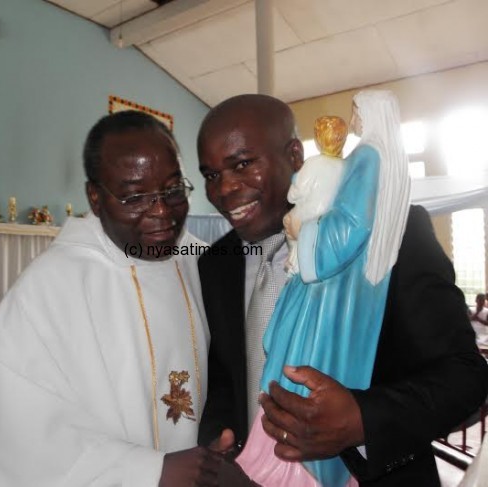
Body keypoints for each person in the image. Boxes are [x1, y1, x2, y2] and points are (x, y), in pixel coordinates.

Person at [196, 93, 488, 486]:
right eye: (211, 175)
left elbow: (467, 379)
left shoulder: (390, 234)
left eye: (243, 163)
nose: (224, 188)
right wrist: (220, 438)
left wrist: (361, 420)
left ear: (296, 156)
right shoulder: (214, 264)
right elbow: (223, 377)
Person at [0, 110, 228, 486]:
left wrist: (216, 435)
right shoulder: (45, 293)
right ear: (95, 198)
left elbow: (219, 368)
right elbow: (24, 437)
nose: (161, 212)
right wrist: (150, 472)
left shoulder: (198, 261)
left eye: (173, 190)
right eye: (134, 197)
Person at [237, 90, 412, 486]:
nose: (354, 119)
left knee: (295, 366)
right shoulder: (372, 160)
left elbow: (353, 224)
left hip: (328, 289)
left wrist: (305, 230)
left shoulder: (367, 157)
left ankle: (288, 470)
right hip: (335, 287)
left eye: (357, 111)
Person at [283, 115, 348, 276]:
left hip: (308, 215)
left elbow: (296, 193)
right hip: (331, 219)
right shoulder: (346, 166)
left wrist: (292, 191)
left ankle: (294, 259)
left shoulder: (313, 163)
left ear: (319, 139)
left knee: (287, 220)